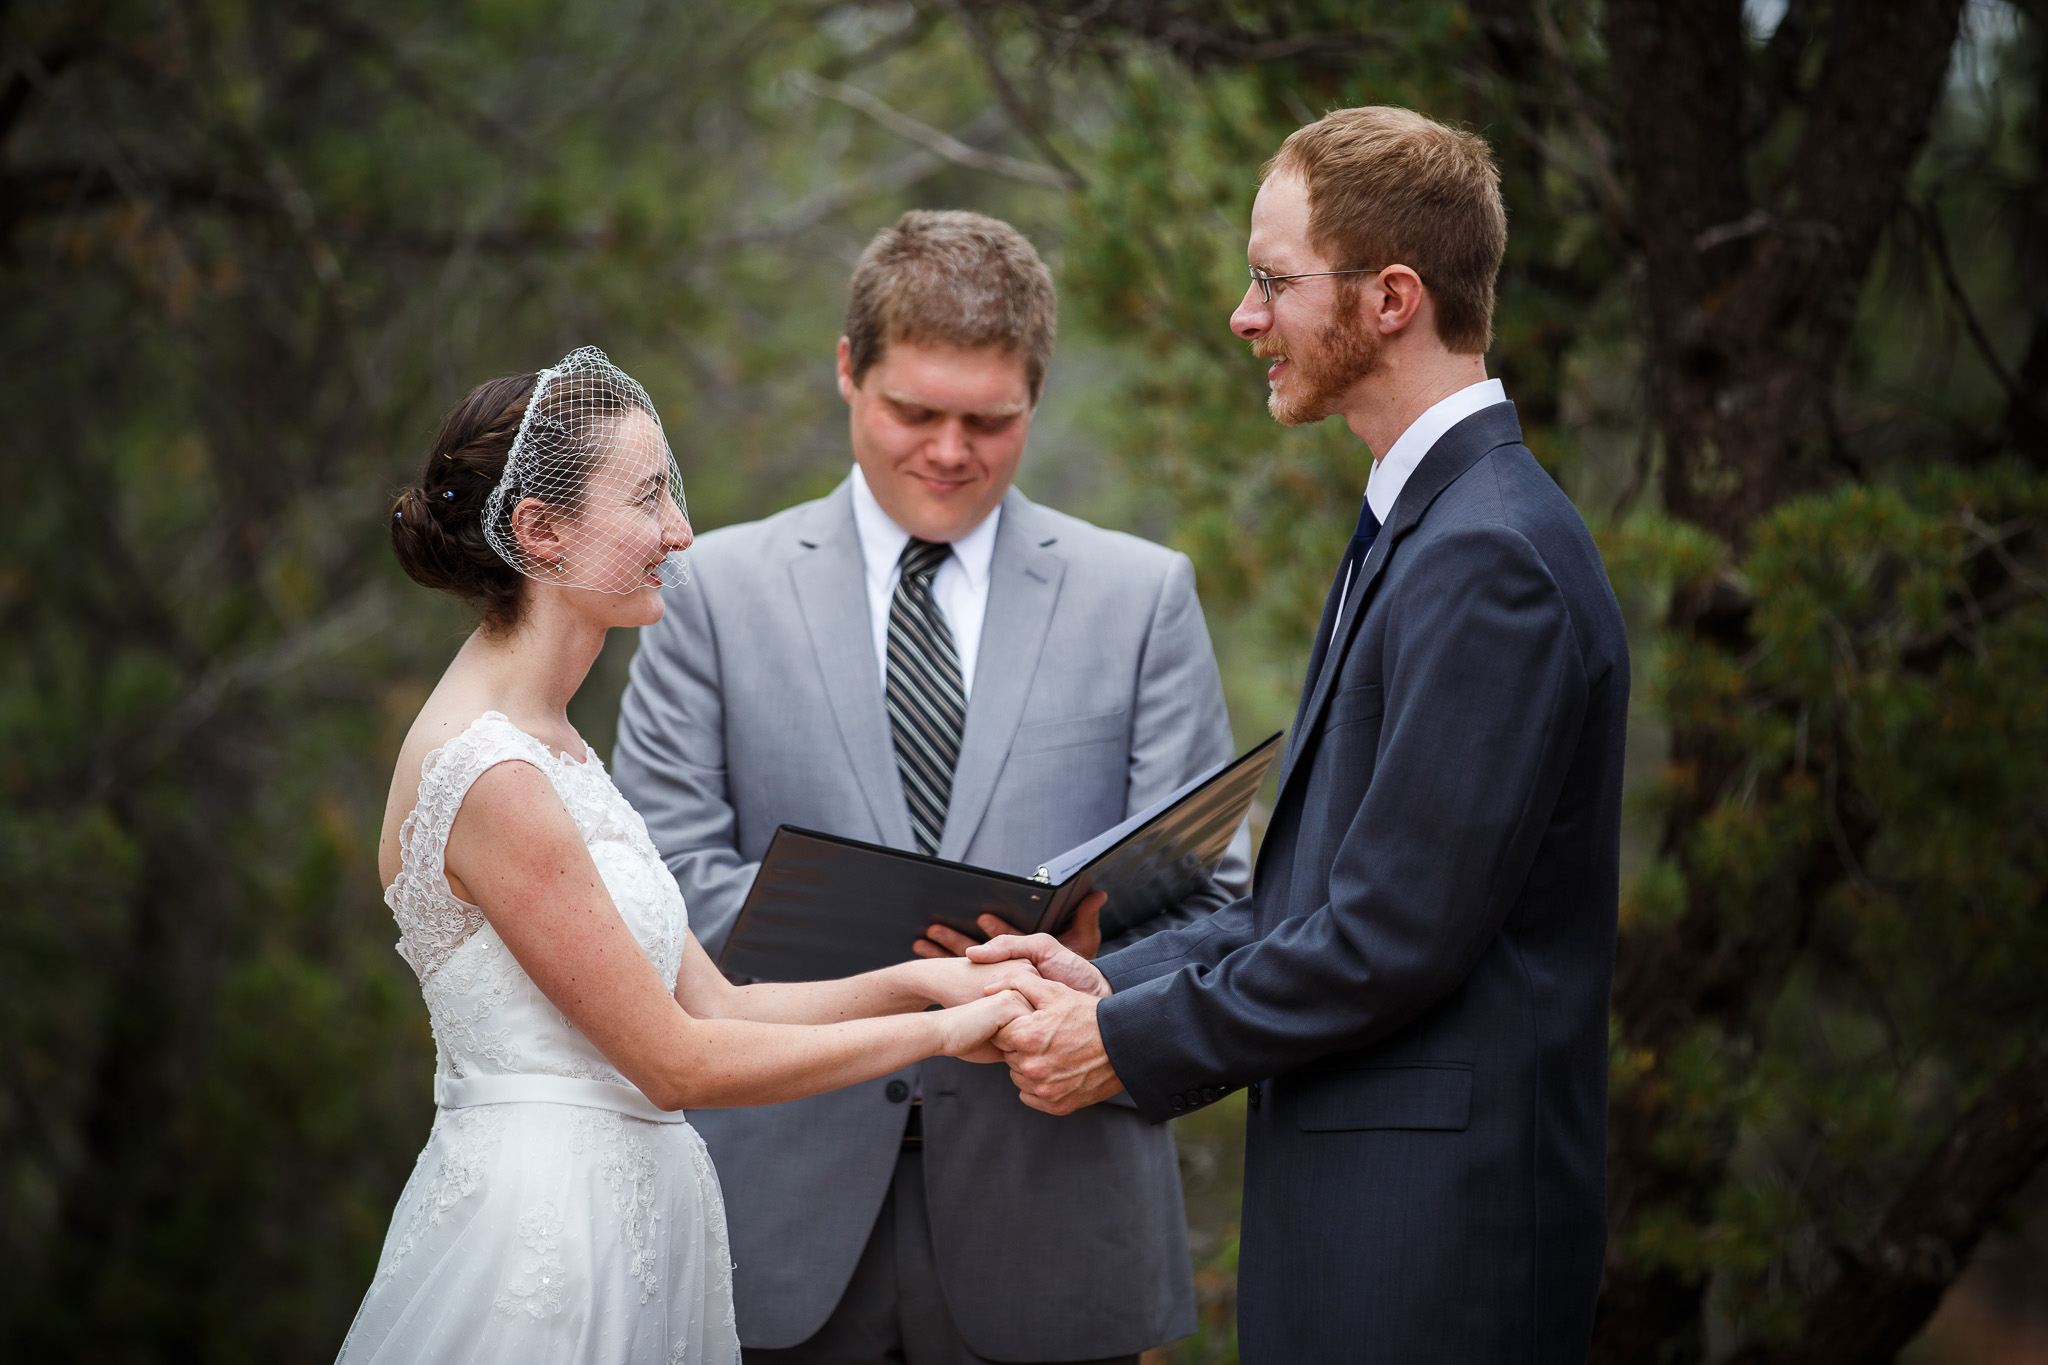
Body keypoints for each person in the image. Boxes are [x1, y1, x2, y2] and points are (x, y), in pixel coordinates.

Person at [972, 107, 1631, 1361]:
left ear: (1391, 297)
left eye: (1273, 280)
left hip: (1431, 1251)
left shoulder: (1488, 554)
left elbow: (1387, 938)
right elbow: (1321, 900)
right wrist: (1107, 978)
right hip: (1368, 1228)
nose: (1241, 314)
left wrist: (1117, 1046)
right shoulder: (1419, 525)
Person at [612, 210, 1249, 1364]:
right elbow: (659, 887)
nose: (950, 451)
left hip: (1055, 1211)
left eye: (988, 421)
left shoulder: (1141, 596)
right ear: (848, 371)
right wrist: (920, 973)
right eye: (915, 412)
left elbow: (1213, 903)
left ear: (1034, 399)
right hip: (773, 1212)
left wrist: (1064, 980)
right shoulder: (709, 594)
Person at [338, 347, 1036, 1365]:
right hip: (550, 1237)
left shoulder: (557, 744)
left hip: (633, 1218)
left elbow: (718, 1005)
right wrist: (941, 1035)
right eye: (649, 497)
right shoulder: (492, 774)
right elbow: (675, 1062)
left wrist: (927, 981)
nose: (681, 531)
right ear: (540, 530)